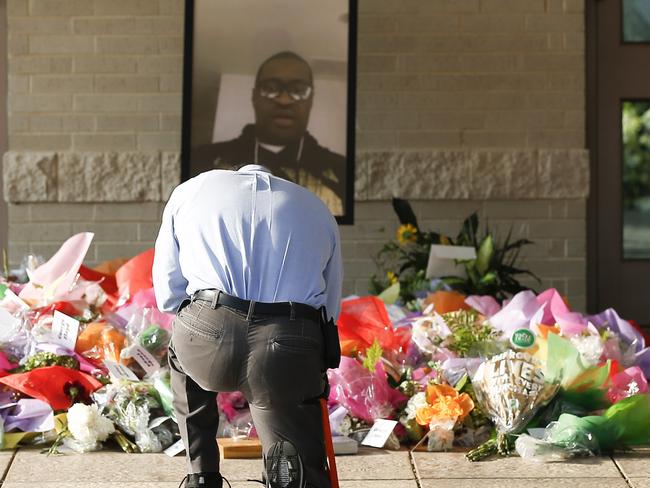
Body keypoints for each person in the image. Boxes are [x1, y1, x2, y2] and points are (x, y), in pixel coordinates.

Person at [152, 164, 342, 488]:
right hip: (287, 339)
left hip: (209, 333)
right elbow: (329, 308)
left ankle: (201, 474)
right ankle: (286, 469)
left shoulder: (191, 191)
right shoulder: (315, 206)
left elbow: (168, 295)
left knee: (180, 354)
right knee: (285, 415)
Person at [192, 51, 346, 215]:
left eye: (299, 90)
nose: (284, 100)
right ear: (254, 96)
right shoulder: (202, 161)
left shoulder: (341, 170)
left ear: (311, 100)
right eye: (271, 88)